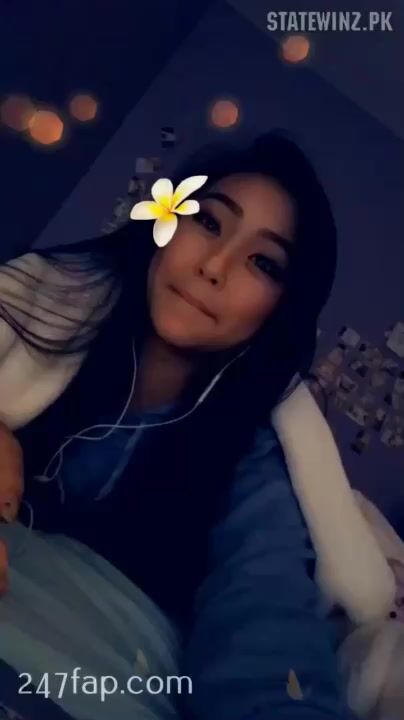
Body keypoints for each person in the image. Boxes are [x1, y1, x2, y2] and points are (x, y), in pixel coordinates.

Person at [0, 130, 357, 719]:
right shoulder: (46, 304)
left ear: (281, 309)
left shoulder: (255, 458)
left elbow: (268, 632)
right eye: (208, 222)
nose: (214, 266)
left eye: (263, 263)